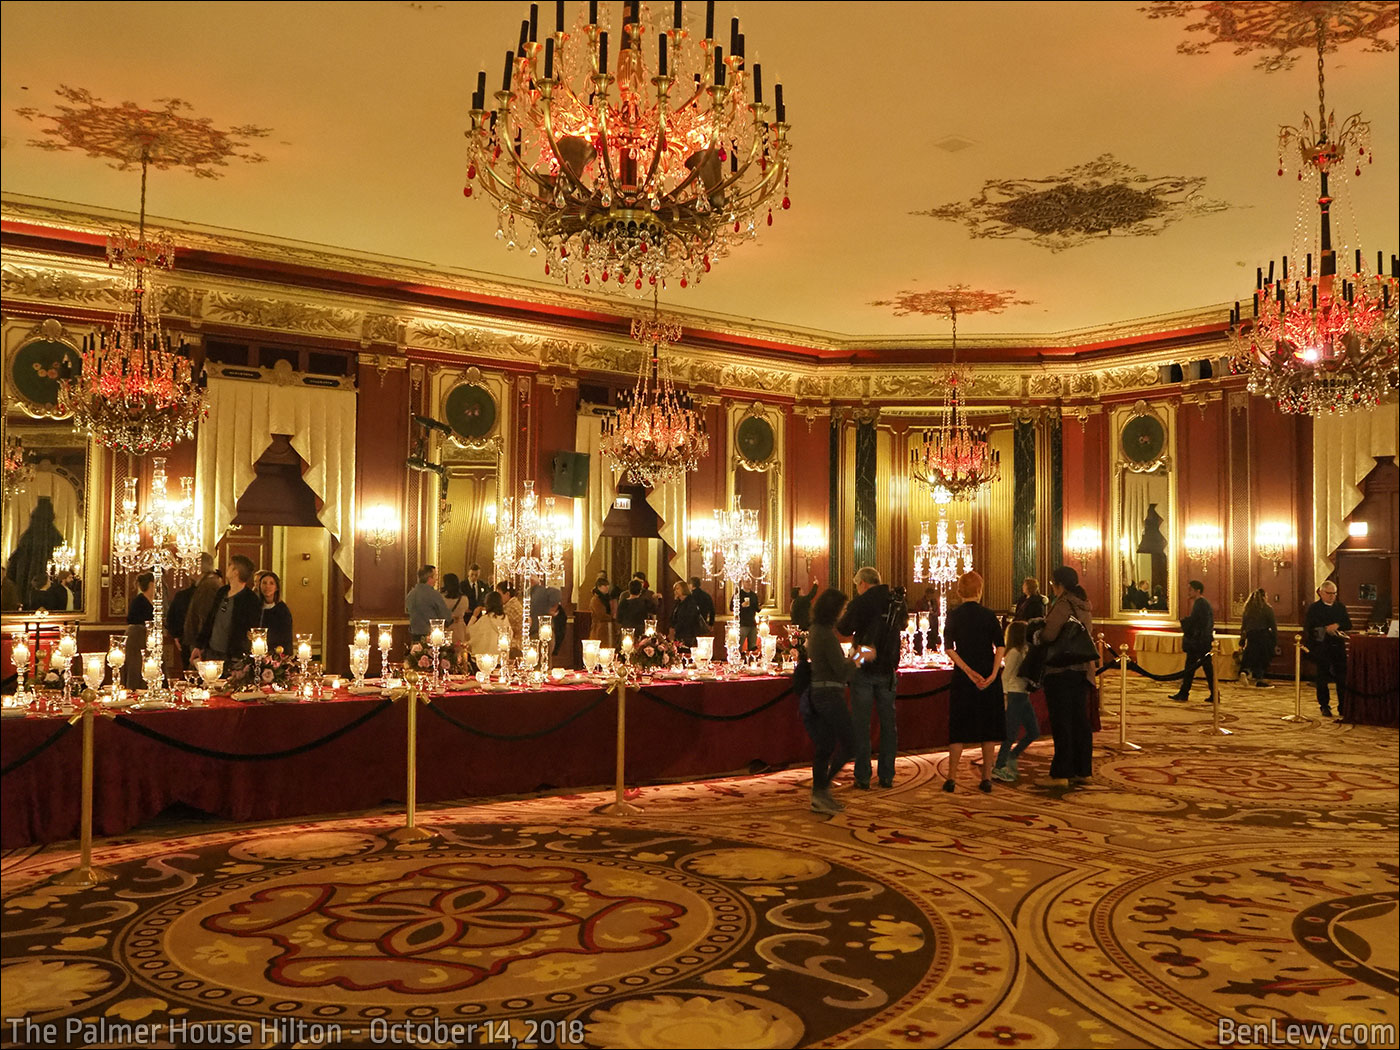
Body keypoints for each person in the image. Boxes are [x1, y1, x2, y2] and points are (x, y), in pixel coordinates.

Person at [837, 566, 903, 790]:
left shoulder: (862, 602)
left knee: (861, 725)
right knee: (888, 726)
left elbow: (844, 628)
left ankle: (863, 776)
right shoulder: (895, 601)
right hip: (887, 667)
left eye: (857, 586)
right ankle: (887, 775)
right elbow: (902, 625)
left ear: (863, 583)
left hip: (863, 664)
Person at [942, 571, 1005, 794]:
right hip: (988, 673)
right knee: (988, 729)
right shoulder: (989, 615)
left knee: (958, 728)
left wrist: (967, 671)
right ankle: (986, 778)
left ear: (960, 591)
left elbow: (949, 648)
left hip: (963, 677)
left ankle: (951, 778)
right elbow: (1000, 646)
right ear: (980, 590)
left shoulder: (953, 615)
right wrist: (994, 673)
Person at [1037, 565, 1095, 786]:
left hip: (1061, 669)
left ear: (1059, 584)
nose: (1052, 588)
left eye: (1053, 584)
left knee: (1062, 722)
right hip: (1082, 669)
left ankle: (1061, 773)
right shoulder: (1084, 604)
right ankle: (1083, 770)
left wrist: (1038, 632)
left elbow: (1049, 635)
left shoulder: (1063, 604)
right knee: (1080, 720)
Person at [804, 588, 860, 815]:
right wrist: (859, 655)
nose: (843, 612)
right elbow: (840, 671)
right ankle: (821, 789)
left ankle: (820, 795)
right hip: (829, 695)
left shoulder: (816, 630)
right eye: (843, 608)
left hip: (820, 693)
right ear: (833, 609)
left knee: (825, 746)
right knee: (850, 744)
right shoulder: (825, 634)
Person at [991, 620, 1038, 783]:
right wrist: (1004, 697)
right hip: (1014, 694)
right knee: (1010, 734)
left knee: (1034, 731)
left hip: (1023, 694)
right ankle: (999, 766)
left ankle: (1012, 755)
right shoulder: (1014, 653)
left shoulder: (1024, 650)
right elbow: (1005, 676)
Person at [192, 555, 261, 663]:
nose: (227, 568)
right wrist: (199, 645)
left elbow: (251, 630)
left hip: (233, 656)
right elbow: (210, 619)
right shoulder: (222, 591)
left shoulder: (250, 599)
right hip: (212, 651)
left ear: (236, 572)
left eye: (230, 566)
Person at [1304, 581, 1351, 718]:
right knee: (1322, 677)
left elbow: (1348, 623)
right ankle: (1324, 705)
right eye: (1329, 593)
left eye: (1334, 594)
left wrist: (1337, 625)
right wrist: (1325, 629)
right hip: (1322, 647)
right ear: (1321, 593)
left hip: (1338, 646)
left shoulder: (1340, 607)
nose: (1332, 596)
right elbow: (1309, 628)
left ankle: (1343, 705)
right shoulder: (1314, 608)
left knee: (1342, 677)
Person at [1169, 580, 1215, 703]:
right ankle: (1212, 693)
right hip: (1202, 640)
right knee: (1202, 668)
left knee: (1194, 668)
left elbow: (1197, 622)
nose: (1188, 592)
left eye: (1190, 589)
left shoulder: (1200, 604)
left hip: (1198, 642)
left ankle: (1185, 693)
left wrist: (1184, 622)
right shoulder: (1203, 603)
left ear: (1197, 590)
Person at [165, 553, 214, 672]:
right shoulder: (209, 586)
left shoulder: (207, 588)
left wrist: (199, 643)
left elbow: (205, 617)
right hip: (195, 640)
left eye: (191, 566)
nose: (189, 570)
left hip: (199, 642)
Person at [182, 566, 225, 662]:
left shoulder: (208, 586)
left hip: (202, 641)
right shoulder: (206, 584)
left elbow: (205, 615)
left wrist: (201, 643)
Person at [123, 571, 157, 690]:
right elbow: (132, 619)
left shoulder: (152, 601)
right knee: (136, 665)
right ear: (151, 585)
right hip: (137, 636)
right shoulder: (139, 600)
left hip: (147, 637)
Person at [1239, 588, 1277, 687]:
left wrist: (1242, 641)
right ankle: (1259, 679)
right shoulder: (1267, 609)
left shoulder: (1248, 609)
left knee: (1251, 656)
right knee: (1261, 658)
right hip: (1263, 636)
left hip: (1251, 635)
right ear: (1264, 597)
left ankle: (1245, 672)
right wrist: (1274, 640)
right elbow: (1273, 626)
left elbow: (1243, 626)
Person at [467, 590, 511, 670]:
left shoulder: (485, 619)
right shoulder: (505, 619)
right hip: (501, 659)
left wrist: (474, 616)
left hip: (485, 661)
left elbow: (469, 633)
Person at [406, 564, 451, 639]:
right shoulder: (434, 594)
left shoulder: (410, 594)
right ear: (430, 578)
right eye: (435, 576)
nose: (436, 579)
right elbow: (445, 616)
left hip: (414, 635)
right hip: (431, 636)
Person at [256, 570, 294, 655]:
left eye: (271, 583)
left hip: (276, 654)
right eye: (264, 583)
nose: (267, 586)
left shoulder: (282, 610)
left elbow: (286, 637)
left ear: (276, 587)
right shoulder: (255, 607)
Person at [442, 572, 471, 662]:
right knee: (460, 651)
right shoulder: (464, 599)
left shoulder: (442, 598)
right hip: (459, 627)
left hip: (447, 626)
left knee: (446, 652)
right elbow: (465, 609)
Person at [670, 579, 703, 649]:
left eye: (677, 589)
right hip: (679, 634)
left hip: (688, 634)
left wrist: (677, 628)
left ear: (684, 589)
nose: (675, 591)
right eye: (674, 589)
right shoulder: (678, 603)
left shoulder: (690, 602)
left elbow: (688, 619)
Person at [589, 574, 617, 647]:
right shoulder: (595, 600)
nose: (607, 587)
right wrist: (612, 617)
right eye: (605, 586)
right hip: (599, 628)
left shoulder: (607, 598)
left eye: (608, 585)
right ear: (599, 587)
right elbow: (600, 615)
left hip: (608, 627)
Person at [496, 581, 523, 652]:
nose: (498, 598)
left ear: (507, 594)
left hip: (515, 645)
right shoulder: (515, 603)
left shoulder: (510, 608)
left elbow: (502, 626)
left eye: (499, 595)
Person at [737, 585, 761, 651]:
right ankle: (738, 659)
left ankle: (751, 660)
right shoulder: (738, 594)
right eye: (747, 582)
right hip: (742, 623)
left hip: (752, 623)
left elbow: (756, 609)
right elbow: (731, 607)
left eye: (750, 582)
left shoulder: (753, 595)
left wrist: (760, 607)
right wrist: (741, 605)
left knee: (753, 646)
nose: (749, 583)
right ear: (743, 583)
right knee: (739, 645)